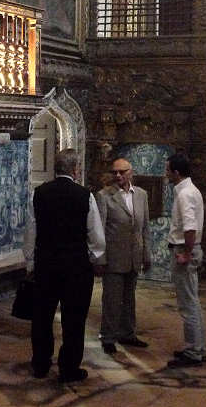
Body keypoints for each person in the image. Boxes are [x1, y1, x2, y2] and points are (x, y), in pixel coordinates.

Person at [23, 148, 105, 383]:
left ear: (55, 169)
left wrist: (30, 262)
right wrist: (93, 258)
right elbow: (96, 236)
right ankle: (69, 368)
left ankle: (40, 363)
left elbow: (30, 231)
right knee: (74, 320)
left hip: (46, 265)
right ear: (75, 170)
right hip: (76, 267)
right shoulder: (85, 196)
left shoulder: (38, 194)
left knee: (42, 318)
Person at [96, 158, 150, 354]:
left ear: (131, 172)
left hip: (134, 256)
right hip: (114, 257)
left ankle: (127, 333)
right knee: (111, 300)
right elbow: (99, 230)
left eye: (122, 172)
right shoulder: (104, 196)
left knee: (129, 298)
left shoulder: (141, 195)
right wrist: (100, 259)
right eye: (115, 172)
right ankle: (108, 336)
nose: (118, 175)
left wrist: (146, 255)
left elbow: (145, 228)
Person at [165, 152, 206, 366]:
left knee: (187, 304)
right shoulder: (191, 190)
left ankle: (193, 352)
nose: (165, 173)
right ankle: (198, 347)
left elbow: (190, 228)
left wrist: (187, 253)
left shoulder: (184, 194)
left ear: (176, 172)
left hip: (184, 250)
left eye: (167, 170)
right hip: (189, 248)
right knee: (193, 301)